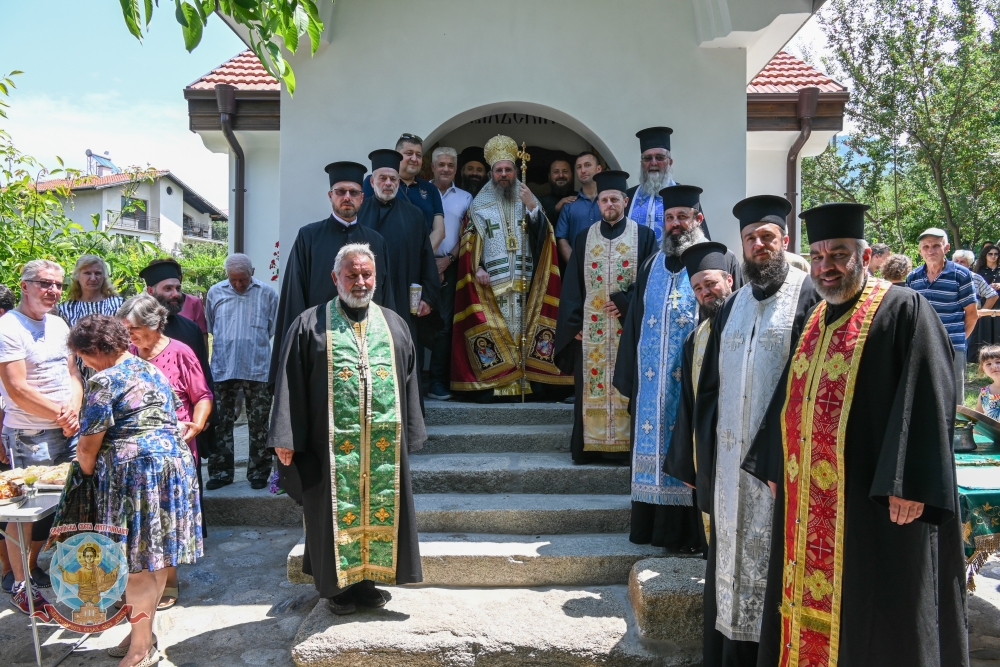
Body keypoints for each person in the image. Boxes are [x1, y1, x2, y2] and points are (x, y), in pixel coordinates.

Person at [743, 202, 968, 667]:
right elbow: (788, 397)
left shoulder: (903, 309)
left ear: (864, 258)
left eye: (839, 255)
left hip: (875, 502)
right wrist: (771, 463)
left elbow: (928, 396)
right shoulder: (814, 320)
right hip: (808, 498)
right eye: (819, 256)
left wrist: (909, 483)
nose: (826, 268)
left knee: (877, 613)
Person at [681, 195, 819, 667]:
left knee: (777, 564)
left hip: (781, 468)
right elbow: (709, 391)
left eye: (767, 237)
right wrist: (696, 461)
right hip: (727, 466)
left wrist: (779, 459)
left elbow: (812, 387)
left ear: (784, 240)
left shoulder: (809, 296)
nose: (759, 245)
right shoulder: (732, 305)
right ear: (741, 247)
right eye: (750, 238)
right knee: (728, 564)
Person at [269, 243, 424, 615]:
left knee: (377, 511)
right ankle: (338, 588)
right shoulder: (309, 324)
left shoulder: (393, 324)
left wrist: (413, 430)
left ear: (376, 276)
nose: (360, 282)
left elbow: (409, 379)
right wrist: (285, 437)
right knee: (333, 512)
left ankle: (367, 582)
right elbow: (288, 381)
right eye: (351, 274)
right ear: (335, 277)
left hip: (381, 445)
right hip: (329, 447)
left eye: (366, 274)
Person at [59, 314, 201, 667]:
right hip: (171, 470)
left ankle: (141, 650)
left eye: (83, 357)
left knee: (135, 565)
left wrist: (84, 481)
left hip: (134, 476)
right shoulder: (150, 369)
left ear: (95, 351)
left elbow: (87, 450)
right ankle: (142, 633)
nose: (84, 364)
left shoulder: (104, 381)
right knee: (151, 562)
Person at [613, 186, 740, 552]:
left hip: (696, 380)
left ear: (698, 219)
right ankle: (652, 529)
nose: (675, 224)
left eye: (682, 217)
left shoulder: (721, 259)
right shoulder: (651, 264)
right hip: (651, 385)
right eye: (669, 218)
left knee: (693, 446)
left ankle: (692, 534)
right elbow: (634, 323)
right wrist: (631, 379)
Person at [450, 135, 571, 398]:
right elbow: (469, 242)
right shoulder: (478, 206)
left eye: (508, 169)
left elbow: (545, 237)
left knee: (525, 331)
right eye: (499, 170)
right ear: (491, 173)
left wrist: (531, 207)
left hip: (526, 280)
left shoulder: (528, 198)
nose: (503, 174)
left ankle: (527, 383)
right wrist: (477, 268)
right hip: (492, 282)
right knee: (499, 332)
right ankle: (499, 385)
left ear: (516, 171)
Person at [555, 170, 657, 463]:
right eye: (603, 200)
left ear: (625, 201)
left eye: (614, 199)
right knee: (591, 386)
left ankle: (627, 447)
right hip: (592, 331)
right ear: (598, 203)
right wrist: (573, 324)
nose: (609, 204)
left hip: (629, 329)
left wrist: (626, 303)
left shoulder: (645, 236)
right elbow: (573, 285)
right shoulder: (584, 237)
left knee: (628, 383)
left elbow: (650, 281)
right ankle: (591, 446)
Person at [119, 293, 212, 611]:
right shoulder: (127, 356)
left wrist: (196, 425)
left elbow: (202, 395)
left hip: (173, 453)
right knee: (138, 520)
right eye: (125, 330)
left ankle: (168, 580)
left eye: (133, 329)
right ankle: (140, 580)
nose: (129, 337)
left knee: (168, 518)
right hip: (134, 454)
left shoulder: (181, 352)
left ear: (155, 323)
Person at [0, 260, 83, 613]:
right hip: (29, 434)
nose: (53, 291)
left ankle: (60, 573)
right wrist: (60, 415)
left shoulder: (59, 324)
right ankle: (22, 585)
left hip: (68, 430)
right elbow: (16, 388)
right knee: (25, 513)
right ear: (24, 286)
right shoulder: (8, 327)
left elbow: (74, 375)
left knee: (65, 510)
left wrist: (74, 411)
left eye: (58, 285)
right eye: (45, 284)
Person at [269, 161, 394, 386]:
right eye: (340, 192)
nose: (347, 197)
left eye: (353, 192)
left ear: (362, 197)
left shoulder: (376, 241)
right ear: (330, 195)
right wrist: (301, 340)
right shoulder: (309, 237)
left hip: (365, 342)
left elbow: (385, 294)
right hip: (320, 340)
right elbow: (295, 294)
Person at [664, 241, 736, 555]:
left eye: (711, 283)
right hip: (709, 448)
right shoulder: (697, 337)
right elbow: (688, 404)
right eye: (698, 288)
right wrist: (686, 464)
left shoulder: (751, 326)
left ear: (729, 281)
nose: (705, 292)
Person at [205, 253, 279, 489]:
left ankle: (259, 473)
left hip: (257, 368)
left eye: (243, 280)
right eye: (233, 279)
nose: (238, 284)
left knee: (259, 423)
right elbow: (211, 326)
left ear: (252, 273)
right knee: (220, 422)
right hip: (222, 367)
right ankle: (220, 473)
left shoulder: (268, 294)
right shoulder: (215, 292)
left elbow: (272, 329)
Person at [357, 149, 441, 350]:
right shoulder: (358, 213)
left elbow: (426, 258)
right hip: (364, 297)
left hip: (403, 298)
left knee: (402, 352)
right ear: (372, 182)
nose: (388, 183)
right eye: (382, 178)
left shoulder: (414, 215)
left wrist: (428, 298)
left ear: (398, 181)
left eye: (392, 179)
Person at [906, 227, 977, 401]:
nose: (931, 251)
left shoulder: (961, 274)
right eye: (926, 246)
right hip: (922, 347)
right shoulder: (913, 277)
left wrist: (956, 340)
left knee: (954, 398)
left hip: (953, 346)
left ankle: (955, 429)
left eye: (936, 246)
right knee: (924, 396)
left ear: (946, 248)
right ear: (920, 250)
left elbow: (972, 314)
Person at [428, 148, 473, 402]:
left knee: (445, 325)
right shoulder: (421, 193)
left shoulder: (466, 198)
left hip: (451, 264)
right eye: (441, 164)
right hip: (421, 266)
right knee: (415, 320)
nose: (445, 169)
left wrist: (448, 261)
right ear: (432, 167)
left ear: (456, 169)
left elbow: (467, 235)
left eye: (450, 165)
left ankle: (437, 381)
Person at [363, 134, 445, 250]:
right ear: (397, 156)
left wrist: (422, 258)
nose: (414, 159)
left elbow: (439, 231)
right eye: (409, 153)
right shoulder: (374, 183)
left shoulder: (431, 189)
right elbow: (363, 220)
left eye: (419, 155)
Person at [554, 152, 604, 264]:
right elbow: (562, 239)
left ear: (599, 168)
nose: (583, 170)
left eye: (587, 165)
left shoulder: (610, 203)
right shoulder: (569, 205)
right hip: (577, 271)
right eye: (579, 167)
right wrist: (575, 265)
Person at [58, 255, 124, 327]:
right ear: (77, 276)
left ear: (104, 276)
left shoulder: (119, 305)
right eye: (87, 273)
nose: (93, 278)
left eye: (97, 273)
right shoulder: (65, 309)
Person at [537, 156, 576, 223]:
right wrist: (556, 209)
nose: (561, 175)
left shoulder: (580, 198)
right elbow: (538, 225)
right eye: (556, 172)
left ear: (571, 175)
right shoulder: (540, 202)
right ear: (549, 176)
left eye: (565, 171)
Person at [976, 344, 1000, 420]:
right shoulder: (984, 394)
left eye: (998, 362)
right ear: (983, 368)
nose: (994, 366)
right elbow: (978, 421)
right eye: (988, 364)